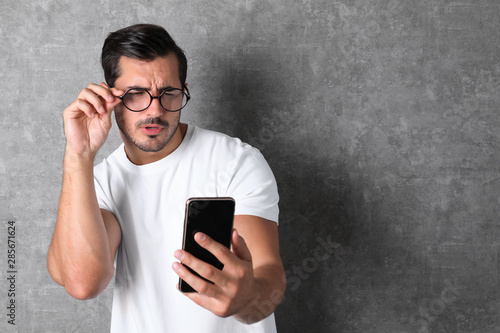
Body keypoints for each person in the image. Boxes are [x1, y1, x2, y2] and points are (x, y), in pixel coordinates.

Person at [47, 24, 285, 332]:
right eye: (136, 94)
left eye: (169, 93)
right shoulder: (99, 183)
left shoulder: (236, 161)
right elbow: (82, 283)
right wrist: (77, 157)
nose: (155, 110)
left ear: (183, 90)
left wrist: (249, 297)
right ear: (109, 97)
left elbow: (270, 272)